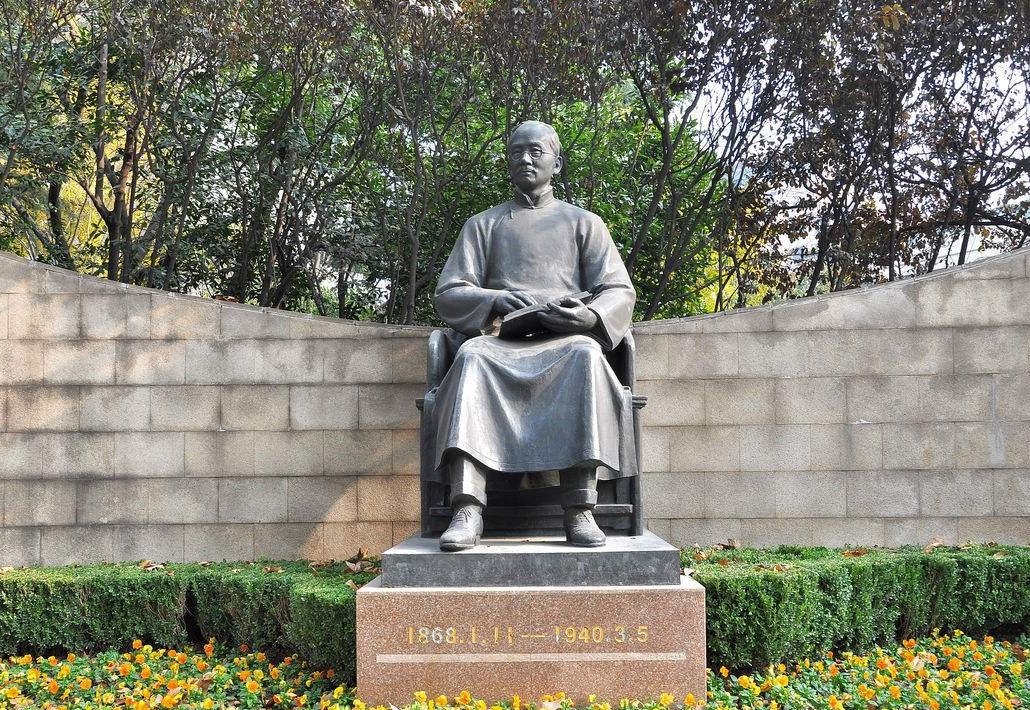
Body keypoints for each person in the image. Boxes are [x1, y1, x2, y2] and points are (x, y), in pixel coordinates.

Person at [429, 120, 637, 551]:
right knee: (471, 358)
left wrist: (590, 316)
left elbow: (619, 289)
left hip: (565, 340)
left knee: (585, 355)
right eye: (516, 152)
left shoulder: (585, 223)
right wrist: (493, 299)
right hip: (500, 339)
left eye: (536, 151)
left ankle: (579, 508)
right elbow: (449, 293)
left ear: (556, 163)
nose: (525, 158)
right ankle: (467, 507)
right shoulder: (482, 225)